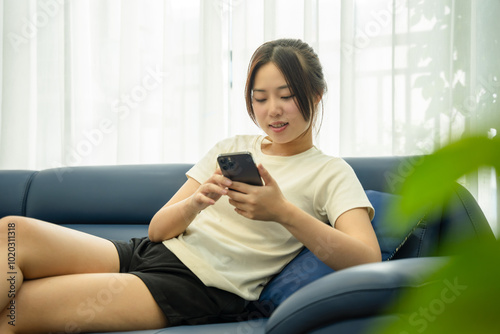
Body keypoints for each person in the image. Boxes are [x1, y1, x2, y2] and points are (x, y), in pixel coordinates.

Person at [0, 39, 381, 333]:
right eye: (260, 98)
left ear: (315, 96)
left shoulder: (331, 172)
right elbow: (157, 229)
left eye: (286, 96)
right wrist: (196, 202)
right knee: (12, 231)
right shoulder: (231, 148)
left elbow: (367, 259)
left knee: (21, 307)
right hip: (150, 252)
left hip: (202, 286)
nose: (272, 110)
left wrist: (282, 211)